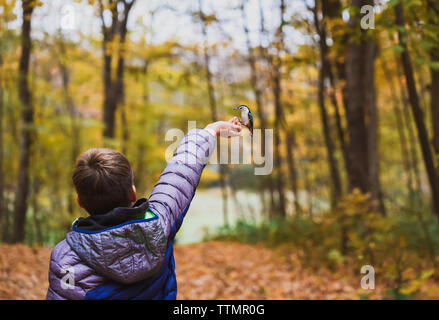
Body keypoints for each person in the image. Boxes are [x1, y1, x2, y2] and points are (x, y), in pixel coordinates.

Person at [46, 117, 242, 299]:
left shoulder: (66, 259)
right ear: (132, 193)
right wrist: (210, 131)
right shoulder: (159, 223)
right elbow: (179, 173)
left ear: (79, 200)